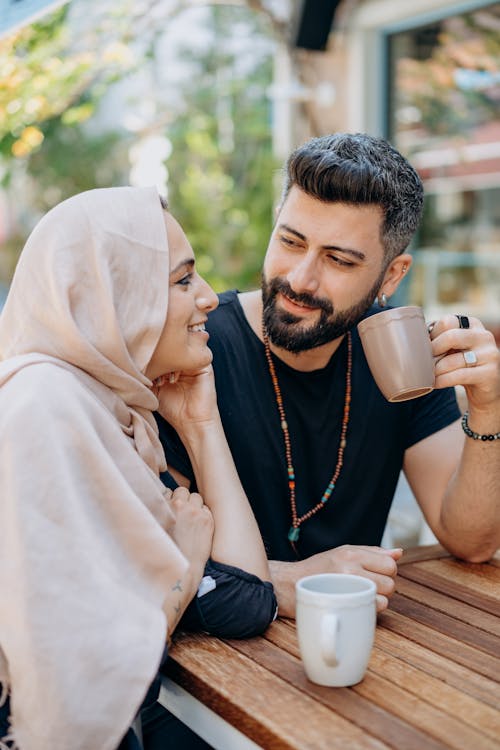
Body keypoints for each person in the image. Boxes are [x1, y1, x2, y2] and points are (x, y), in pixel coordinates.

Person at [157, 132, 500, 619]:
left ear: (391, 277)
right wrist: (283, 579)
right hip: (203, 665)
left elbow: (471, 541)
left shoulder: (397, 355)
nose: (300, 278)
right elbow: (148, 555)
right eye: (290, 242)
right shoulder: (194, 349)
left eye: (338, 260)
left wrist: (489, 408)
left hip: (360, 647)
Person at [0, 186, 276, 750]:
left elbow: (246, 600)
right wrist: (187, 563)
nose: (209, 299)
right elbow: (77, 688)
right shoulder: (45, 410)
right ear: (113, 295)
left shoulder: (118, 418)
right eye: (181, 280)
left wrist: (202, 426)